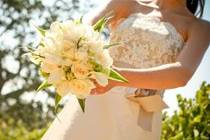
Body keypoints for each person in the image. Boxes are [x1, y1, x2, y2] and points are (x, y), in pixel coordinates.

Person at [42, 0, 210, 140]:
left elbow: (181, 74)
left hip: (139, 117)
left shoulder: (200, 27)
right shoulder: (126, 3)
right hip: (96, 99)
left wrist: (117, 77)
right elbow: (86, 27)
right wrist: (68, 52)